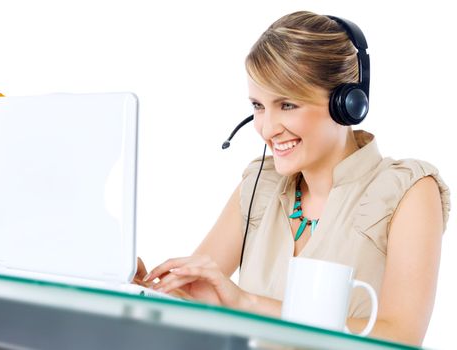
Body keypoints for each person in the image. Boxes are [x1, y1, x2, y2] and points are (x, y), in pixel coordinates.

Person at [134, 11, 450, 346]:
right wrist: (147, 292)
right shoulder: (261, 183)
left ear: (347, 104)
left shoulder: (408, 191)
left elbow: (401, 336)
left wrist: (247, 303)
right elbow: (198, 294)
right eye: (258, 106)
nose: (267, 129)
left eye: (287, 105)